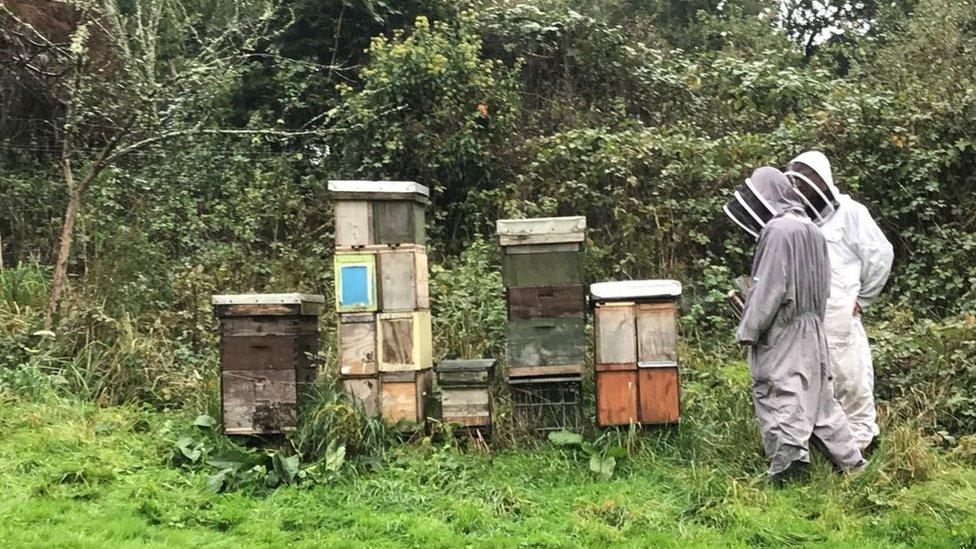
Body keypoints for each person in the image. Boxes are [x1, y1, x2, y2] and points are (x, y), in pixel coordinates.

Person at [724, 166, 866, 483]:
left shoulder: (778, 231)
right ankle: (853, 465)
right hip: (814, 327)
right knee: (821, 402)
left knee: (780, 393)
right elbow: (825, 285)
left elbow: (768, 287)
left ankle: (790, 470)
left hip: (784, 329)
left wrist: (748, 329)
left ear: (765, 196)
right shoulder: (813, 230)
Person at [785, 151, 894, 455]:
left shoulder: (850, 213)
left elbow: (880, 255)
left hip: (840, 308)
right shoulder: (799, 217)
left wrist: (863, 298)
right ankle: (831, 445)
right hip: (807, 312)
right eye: (794, 180)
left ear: (821, 179)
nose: (798, 187)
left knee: (850, 374)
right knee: (813, 378)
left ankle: (863, 441)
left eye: (803, 179)